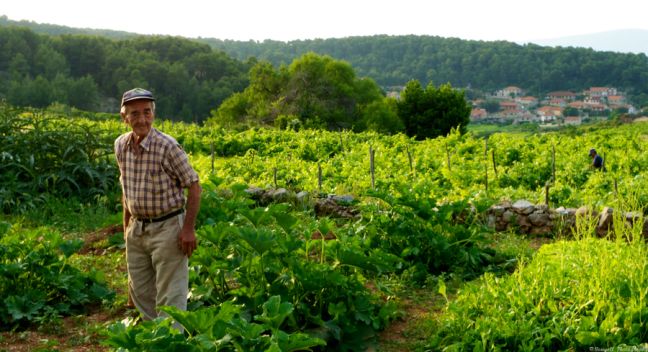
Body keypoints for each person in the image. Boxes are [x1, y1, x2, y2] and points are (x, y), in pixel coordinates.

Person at [114, 88, 201, 325]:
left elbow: (193, 184)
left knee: (171, 296)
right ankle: (155, 340)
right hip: (137, 228)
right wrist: (126, 231)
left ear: (153, 114)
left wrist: (188, 229)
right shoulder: (121, 146)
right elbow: (126, 191)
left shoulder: (167, 147)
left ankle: (172, 342)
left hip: (168, 227)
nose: (141, 119)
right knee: (141, 292)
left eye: (147, 112)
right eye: (134, 114)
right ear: (124, 117)